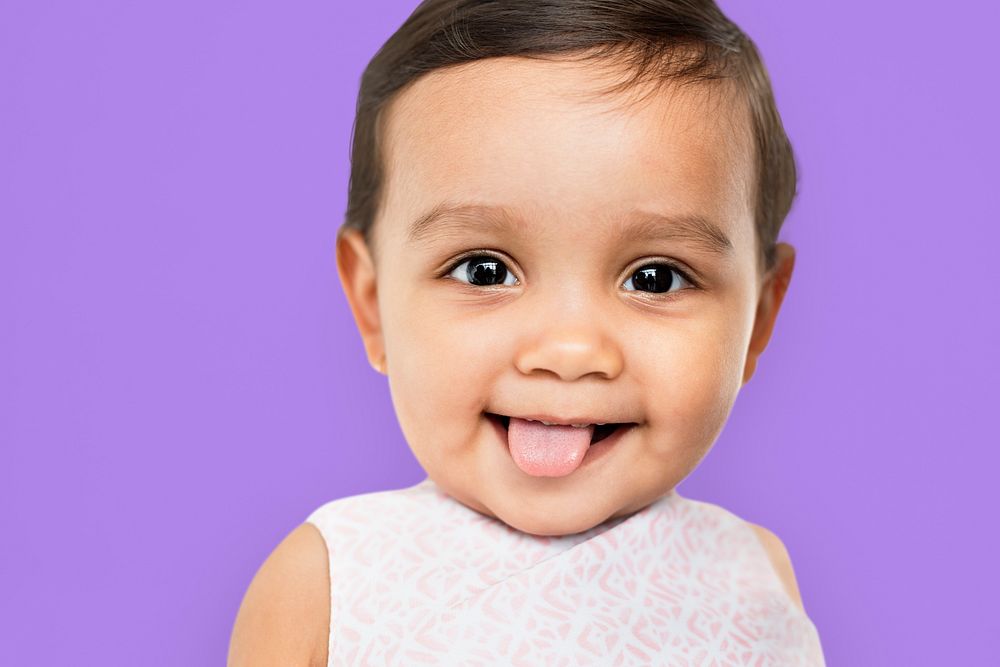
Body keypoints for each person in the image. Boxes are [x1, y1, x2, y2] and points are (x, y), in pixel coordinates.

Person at [228, 1, 826, 664]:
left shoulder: (754, 575)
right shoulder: (332, 581)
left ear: (758, 321)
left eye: (655, 278)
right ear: (373, 304)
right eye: (485, 270)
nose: (569, 351)